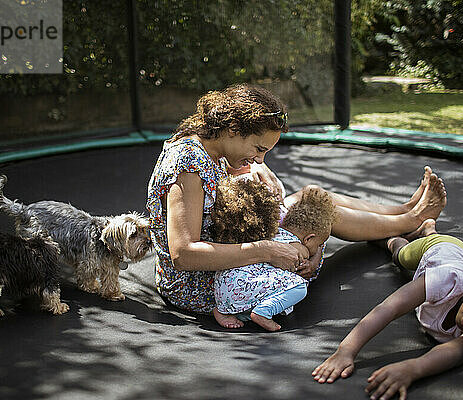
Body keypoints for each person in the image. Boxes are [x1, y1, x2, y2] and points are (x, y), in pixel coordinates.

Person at [146, 84, 447, 326]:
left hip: (227, 248)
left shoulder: (207, 142)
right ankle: (411, 221)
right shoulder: (186, 164)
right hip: (203, 284)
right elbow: (183, 254)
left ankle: (403, 211)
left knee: (311, 196)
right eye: (259, 148)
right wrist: (268, 250)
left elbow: (219, 178)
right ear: (234, 130)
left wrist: (253, 169)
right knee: (315, 215)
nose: (261, 157)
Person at [312, 219, 463, 400]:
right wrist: (346, 351)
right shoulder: (449, 279)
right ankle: (393, 239)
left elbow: (455, 354)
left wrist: (412, 368)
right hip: (443, 249)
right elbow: (390, 307)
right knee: (402, 258)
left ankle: (428, 229)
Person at [210, 178, 337, 331]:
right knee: (299, 286)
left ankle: (225, 312)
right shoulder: (299, 248)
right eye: (318, 244)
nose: (318, 249)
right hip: (240, 287)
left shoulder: (272, 232)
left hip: (223, 287)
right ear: (308, 238)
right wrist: (313, 259)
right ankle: (263, 312)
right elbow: (303, 266)